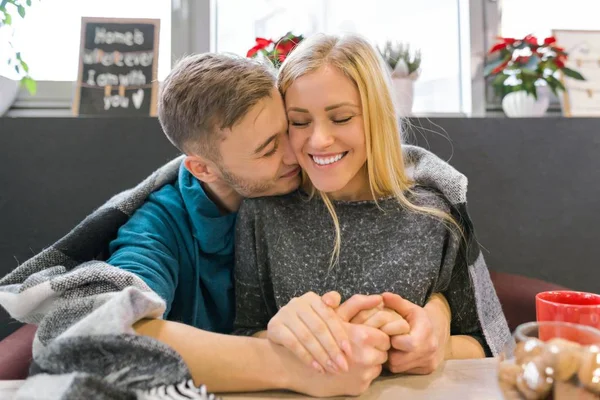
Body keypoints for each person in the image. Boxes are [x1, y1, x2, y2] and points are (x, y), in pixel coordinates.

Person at [106, 52, 456, 395]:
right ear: (203, 169)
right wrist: (291, 366)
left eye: (289, 127)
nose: (298, 152)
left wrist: (438, 312)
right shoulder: (155, 230)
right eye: (268, 149)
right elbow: (106, 333)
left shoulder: (320, 190)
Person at [233, 33, 511, 370]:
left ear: (378, 117)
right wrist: (281, 336)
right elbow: (242, 334)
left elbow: (486, 342)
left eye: (341, 118)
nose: (319, 140)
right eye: (300, 122)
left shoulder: (434, 214)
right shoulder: (263, 212)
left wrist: (438, 348)